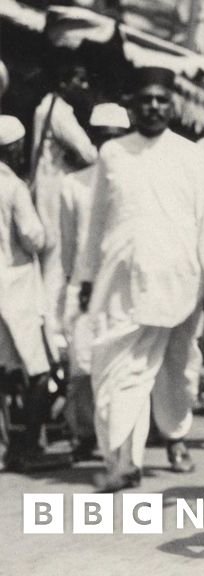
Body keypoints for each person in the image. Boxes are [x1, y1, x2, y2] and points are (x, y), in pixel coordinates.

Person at [79, 67, 204, 491]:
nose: (154, 107)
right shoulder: (113, 153)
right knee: (118, 370)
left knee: (178, 369)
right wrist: (87, 276)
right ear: (132, 104)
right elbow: (97, 221)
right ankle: (124, 458)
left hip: (180, 280)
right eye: (146, 99)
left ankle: (176, 435)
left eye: (162, 99)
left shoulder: (190, 155)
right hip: (120, 282)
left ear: (172, 104)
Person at [59, 103, 132, 462]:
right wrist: (73, 287)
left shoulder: (139, 180)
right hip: (86, 284)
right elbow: (68, 243)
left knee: (125, 364)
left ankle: (123, 438)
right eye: (103, 136)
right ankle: (86, 434)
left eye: (116, 136)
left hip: (126, 283)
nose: (109, 144)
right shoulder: (73, 184)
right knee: (83, 364)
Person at [31, 59, 97, 343]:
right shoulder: (60, 112)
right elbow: (88, 152)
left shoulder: (44, 107)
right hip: (56, 189)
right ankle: (51, 331)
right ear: (63, 82)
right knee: (56, 260)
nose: (84, 85)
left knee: (49, 258)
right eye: (78, 80)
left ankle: (44, 326)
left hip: (45, 186)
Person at [0, 115, 50, 471]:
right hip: (15, 289)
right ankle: (30, 446)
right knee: (38, 371)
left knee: (3, 372)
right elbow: (33, 237)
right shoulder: (14, 187)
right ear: (14, 148)